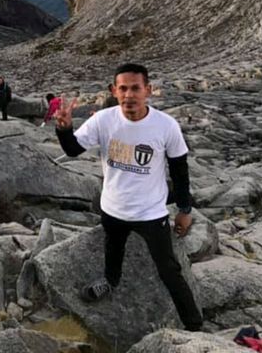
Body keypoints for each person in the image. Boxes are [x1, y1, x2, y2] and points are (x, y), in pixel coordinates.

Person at [54, 62, 202, 332]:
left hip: (151, 213)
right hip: (112, 208)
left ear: (148, 90)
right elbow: (73, 150)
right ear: (114, 91)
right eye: (123, 88)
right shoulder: (103, 120)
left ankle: (194, 327)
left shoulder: (166, 126)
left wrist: (184, 209)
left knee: (169, 271)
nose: (129, 94)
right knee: (113, 249)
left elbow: (180, 170)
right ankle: (110, 281)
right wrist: (64, 128)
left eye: (136, 88)